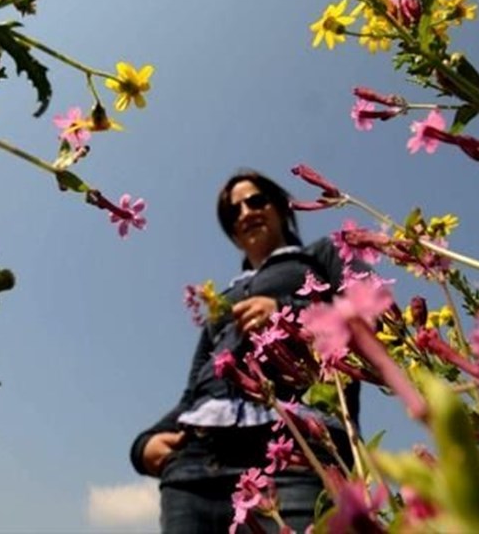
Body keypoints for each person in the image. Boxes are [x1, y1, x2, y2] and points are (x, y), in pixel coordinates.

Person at [130, 170, 359, 533]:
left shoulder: (320, 257)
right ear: (233, 234)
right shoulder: (221, 304)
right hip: (197, 465)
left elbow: (367, 315)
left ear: (283, 209)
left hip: (296, 450)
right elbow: (194, 393)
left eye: (256, 201)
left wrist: (288, 313)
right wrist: (143, 444)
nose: (245, 213)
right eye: (232, 212)